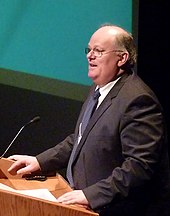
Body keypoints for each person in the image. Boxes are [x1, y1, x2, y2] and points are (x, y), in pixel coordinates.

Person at [8, 24, 170, 216]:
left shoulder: (138, 100)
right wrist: (40, 161)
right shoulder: (98, 88)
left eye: (99, 51)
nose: (90, 55)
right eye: (89, 49)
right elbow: (80, 138)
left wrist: (90, 195)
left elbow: (139, 167)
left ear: (122, 58)